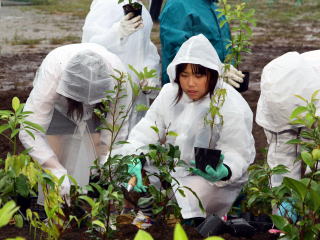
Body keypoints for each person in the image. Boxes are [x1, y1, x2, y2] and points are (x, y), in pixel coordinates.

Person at [112, 34, 255, 222]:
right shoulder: (169, 95)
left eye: (198, 75)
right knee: (117, 165)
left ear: (212, 75)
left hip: (211, 181)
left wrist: (225, 170)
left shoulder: (229, 103)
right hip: (173, 171)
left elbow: (238, 151)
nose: (190, 83)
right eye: (184, 75)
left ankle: (191, 218)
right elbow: (144, 133)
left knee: (190, 197)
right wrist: (134, 158)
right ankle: (147, 212)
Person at [19, 43, 132, 204]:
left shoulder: (119, 78)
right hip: (60, 105)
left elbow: (116, 130)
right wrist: (55, 169)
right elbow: (30, 129)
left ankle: (90, 203)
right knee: (55, 150)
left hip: (101, 105)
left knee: (97, 147)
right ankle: (53, 209)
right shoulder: (53, 73)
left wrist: (107, 163)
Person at [82, 0, 160, 131]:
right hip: (111, 91)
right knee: (108, 138)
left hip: (136, 94)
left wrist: (150, 73)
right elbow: (89, 45)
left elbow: (147, 47)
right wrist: (117, 33)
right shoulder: (105, 4)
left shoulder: (141, 9)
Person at [256, 50, 320, 188]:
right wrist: (284, 197)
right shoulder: (274, 82)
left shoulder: (314, 89)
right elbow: (280, 155)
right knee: (282, 155)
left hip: (314, 107)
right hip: (285, 111)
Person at [159, 0, 244, 87]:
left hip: (218, 88)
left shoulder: (212, 5)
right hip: (189, 91)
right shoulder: (178, 5)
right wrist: (216, 69)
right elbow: (178, 54)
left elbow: (224, 45)